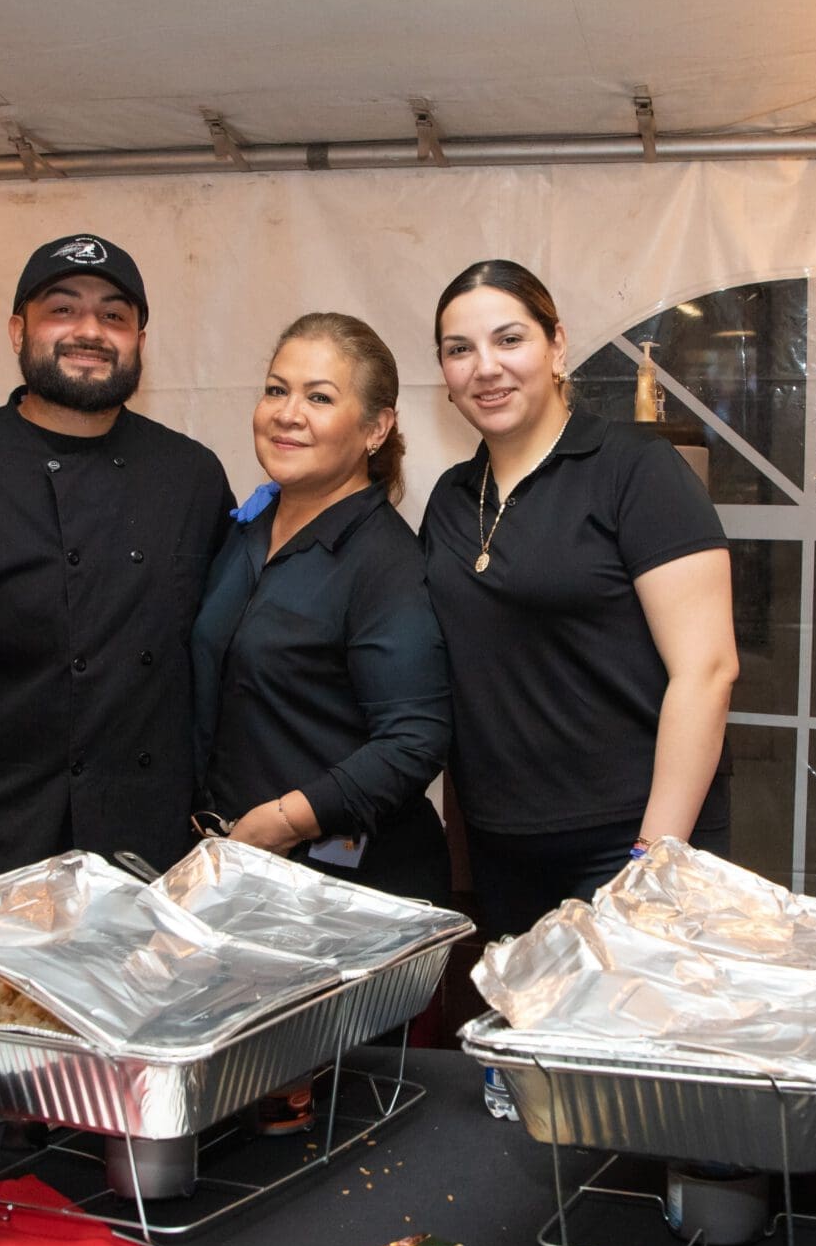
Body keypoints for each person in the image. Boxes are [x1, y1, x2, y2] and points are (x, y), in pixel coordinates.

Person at [0, 233, 232, 890]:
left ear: (140, 338)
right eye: (64, 309)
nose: (90, 330)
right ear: (16, 330)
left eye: (114, 315)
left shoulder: (191, 476)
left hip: (150, 843)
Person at [421, 260, 738, 935]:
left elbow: (707, 671)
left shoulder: (636, 471)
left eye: (510, 340)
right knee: (523, 1037)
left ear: (557, 346)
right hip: (502, 848)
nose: (485, 367)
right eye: (460, 349)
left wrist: (653, 859)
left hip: (629, 842)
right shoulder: (450, 499)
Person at [191, 313, 450, 903]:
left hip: (343, 893)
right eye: (276, 389)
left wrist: (284, 821)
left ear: (376, 429)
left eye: (320, 397)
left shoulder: (385, 563)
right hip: (238, 875)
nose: (288, 412)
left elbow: (414, 739)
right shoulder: (246, 528)